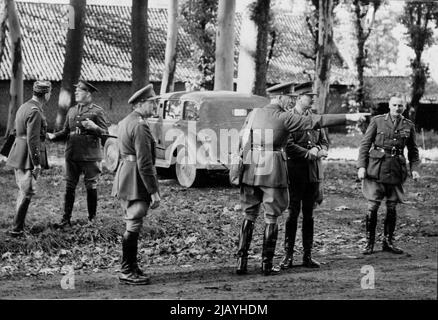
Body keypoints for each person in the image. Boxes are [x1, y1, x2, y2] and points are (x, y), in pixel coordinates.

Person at [236, 91, 368, 276]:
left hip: (250, 169)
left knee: (249, 215)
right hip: (272, 170)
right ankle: (266, 264)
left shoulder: (254, 113)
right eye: (289, 97)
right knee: (271, 215)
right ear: (279, 97)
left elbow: (241, 139)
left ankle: (241, 263)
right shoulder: (284, 117)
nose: (291, 101)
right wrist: (348, 117)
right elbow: (315, 121)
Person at [357, 92, 420, 255]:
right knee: (373, 205)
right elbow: (365, 145)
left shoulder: (408, 125)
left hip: (396, 169)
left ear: (404, 107)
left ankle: (388, 242)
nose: (397, 108)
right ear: (389, 106)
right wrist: (361, 167)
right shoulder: (377, 121)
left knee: (392, 206)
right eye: (394, 105)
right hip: (376, 168)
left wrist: (414, 169)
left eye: (400, 105)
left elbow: (413, 150)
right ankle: (369, 243)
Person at [112, 84, 161, 285]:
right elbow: (145, 162)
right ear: (141, 104)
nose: (155, 106)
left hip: (126, 175)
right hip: (136, 179)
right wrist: (154, 191)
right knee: (134, 221)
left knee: (133, 221)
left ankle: (131, 266)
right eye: (152, 102)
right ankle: (126, 269)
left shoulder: (125, 121)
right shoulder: (140, 125)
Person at [278, 83, 329, 270]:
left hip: (313, 173)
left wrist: (321, 149)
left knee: (309, 215)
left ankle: (307, 255)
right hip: (295, 172)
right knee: (292, 214)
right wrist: (309, 153)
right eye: (309, 95)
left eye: (313, 95)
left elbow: (324, 141)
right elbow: (288, 144)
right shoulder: (289, 117)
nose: (313, 98)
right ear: (299, 98)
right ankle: (288, 256)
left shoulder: (314, 119)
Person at [48, 80, 109, 227]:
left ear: (88, 93)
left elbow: (106, 135)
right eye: (76, 90)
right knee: (70, 186)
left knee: (91, 186)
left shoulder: (97, 111)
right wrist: (53, 136)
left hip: (90, 156)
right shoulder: (72, 111)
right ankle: (65, 219)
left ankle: (92, 220)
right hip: (72, 154)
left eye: (79, 90)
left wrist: (95, 127)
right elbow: (66, 131)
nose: (76, 92)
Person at [6, 80, 52, 237]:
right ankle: (16, 229)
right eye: (49, 93)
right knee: (28, 191)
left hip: (19, 152)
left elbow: (14, 130)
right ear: (46, 94)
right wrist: (37, 163)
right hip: (27, 156)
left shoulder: (24, 107)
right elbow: (33, 140)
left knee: (23, 190)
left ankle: (17, 226)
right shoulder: (35, 111)